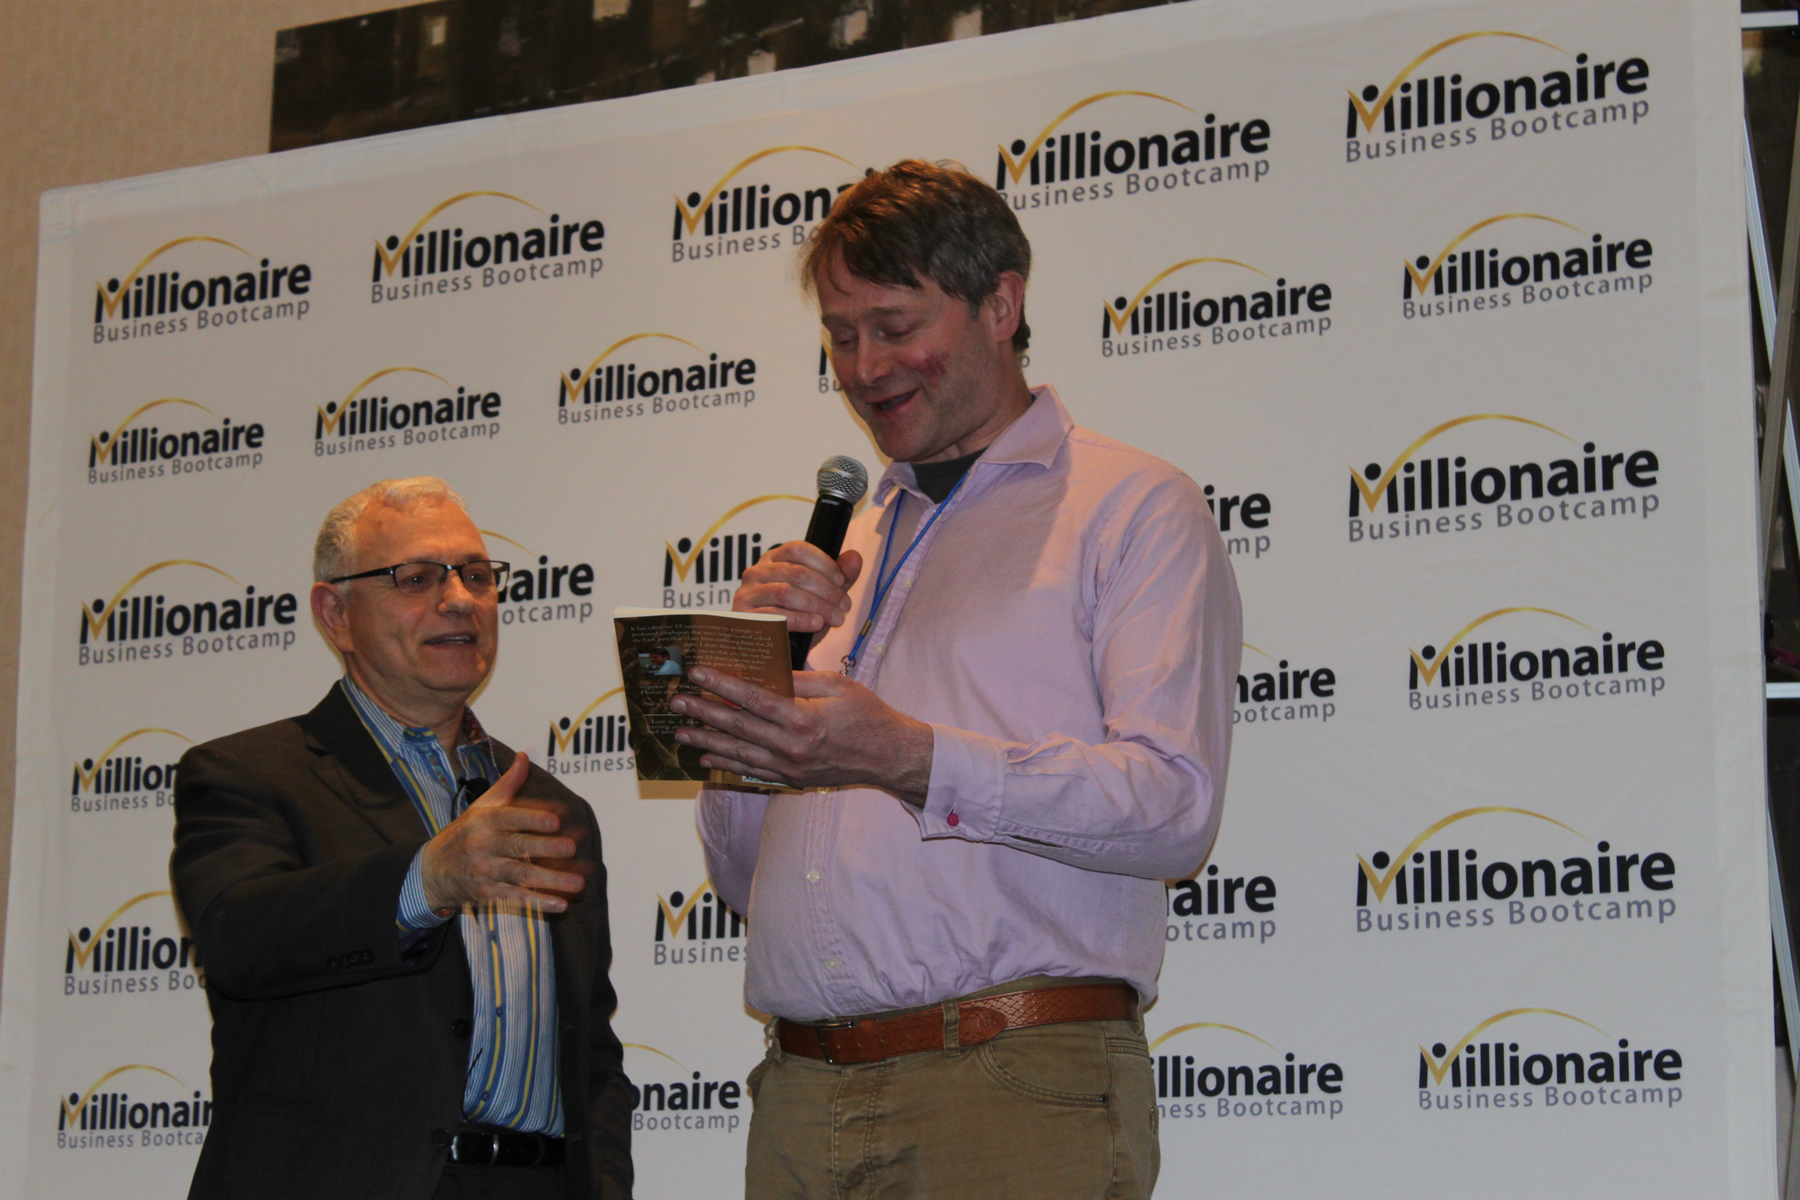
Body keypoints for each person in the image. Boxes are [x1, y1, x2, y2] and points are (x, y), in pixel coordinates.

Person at [682, 161, 1241, 1199]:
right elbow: (738, 878)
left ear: (1001, 304)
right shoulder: (841, 547)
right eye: (840, 336)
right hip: (800, 1093)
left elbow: (1175, 808)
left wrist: (907, 756)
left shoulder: (1129, 506)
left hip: (1011, 1084)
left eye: (894, 327)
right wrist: (750, 697)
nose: (864, 366)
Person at [170, 477, 633, 1200]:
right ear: (336, 615)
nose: (459, 599)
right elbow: (238, 938)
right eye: (416, 578)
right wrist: (426, 881)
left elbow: (591, 1055)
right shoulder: (248, 774)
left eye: (476, 575)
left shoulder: (552, 808)